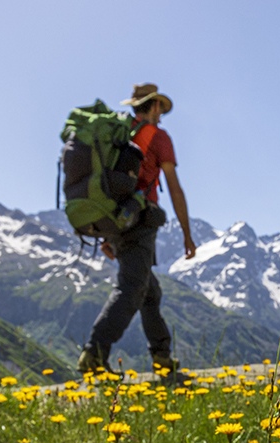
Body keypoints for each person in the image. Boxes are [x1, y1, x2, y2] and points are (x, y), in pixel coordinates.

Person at [78, 83, 197, 377]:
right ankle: (94, 352)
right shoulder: (158, 137)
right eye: (160, 109)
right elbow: (174, 187)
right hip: (140, 222)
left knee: (149, 291)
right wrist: (186, 232)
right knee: (132, 289)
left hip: (116, 221)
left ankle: (161, 356)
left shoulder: (120, 137)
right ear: (154, 106)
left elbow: (113, 187)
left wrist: (108, 234)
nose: (162, 115)